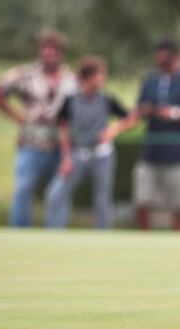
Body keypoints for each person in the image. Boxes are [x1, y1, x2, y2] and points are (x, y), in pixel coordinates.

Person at [0, 30, 77, 227]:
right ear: (40, 50)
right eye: (45, 49)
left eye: (54, 50)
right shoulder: (25, 74)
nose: (49, 53)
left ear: (61, 53)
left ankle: (56, 239)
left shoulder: (71, 79)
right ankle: (19, 235)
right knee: (23, 190)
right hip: (31, 143)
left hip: (61, 146)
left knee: (58, 195)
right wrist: (15, 116)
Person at [44, 56, 138, 229]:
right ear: (87, 77)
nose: (102, 79)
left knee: (102, 199)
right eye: (99, 75)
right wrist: (66, 158)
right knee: (56, 194)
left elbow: (131, 118)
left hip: (102, 154)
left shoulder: (106, 99)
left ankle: (103, 237)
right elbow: (63, 129)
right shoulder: (71, 100)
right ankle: (53, 233)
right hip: (78, 153)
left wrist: (113, 130)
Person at [133, 39, 180, 230]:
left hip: (179, 155)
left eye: (166, 61)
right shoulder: (150, 80)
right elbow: (138, 111)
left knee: (179, 205)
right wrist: (146, 111)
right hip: (151, 153)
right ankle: (144, 245)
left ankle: (177, 246)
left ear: (177, 58)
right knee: (143, 201)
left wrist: (175, 113)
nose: (162, 65)